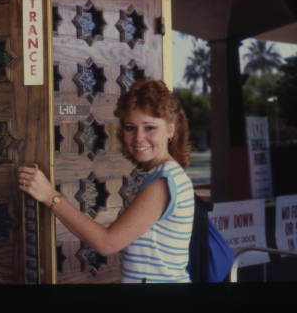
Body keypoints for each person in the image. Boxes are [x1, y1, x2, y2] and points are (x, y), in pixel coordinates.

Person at [18, 78, 195, 283]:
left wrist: (51, 197)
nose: (138, 137)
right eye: (130, 127)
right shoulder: (153, 175)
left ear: (171, 130)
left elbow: (107, 243)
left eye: (150, 128)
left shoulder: (164, 182)